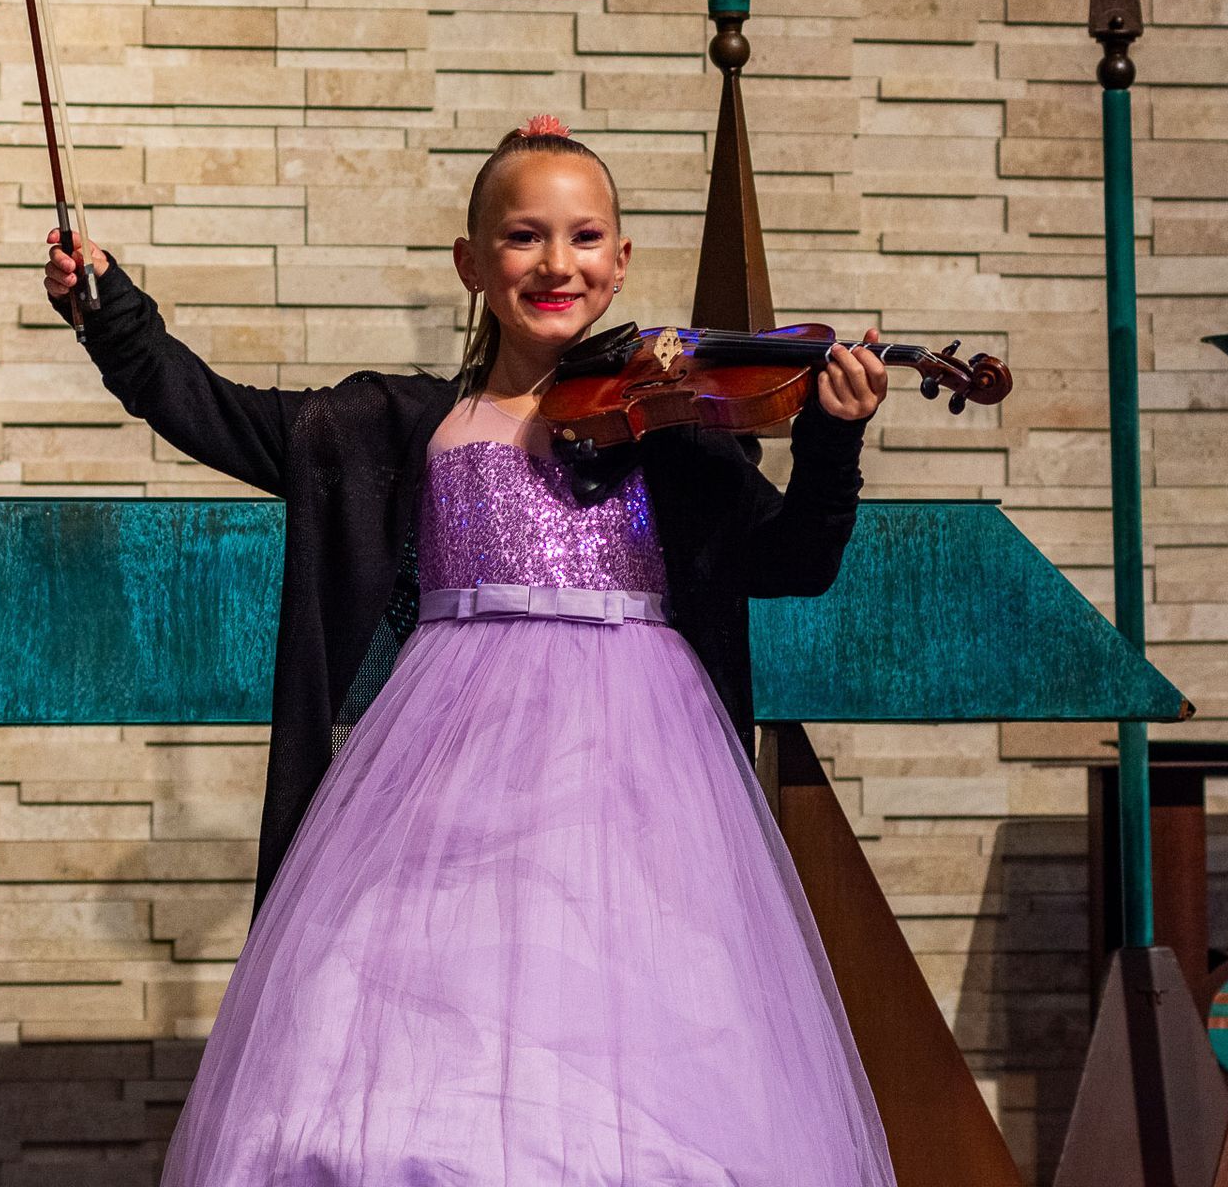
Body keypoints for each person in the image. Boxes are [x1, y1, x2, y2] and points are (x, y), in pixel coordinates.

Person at [43, 114, 897, 1184]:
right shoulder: (399, 424)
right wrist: (108, 311)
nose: (557, 262)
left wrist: (831, 441)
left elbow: (792, 560)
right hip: (446, 753)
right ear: (472, 262)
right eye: (525, 236)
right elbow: (217, 413)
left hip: (635, 767)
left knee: (625, 1032)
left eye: (586, 238)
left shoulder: (670, 428)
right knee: (421, 1041)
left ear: (622, 260)